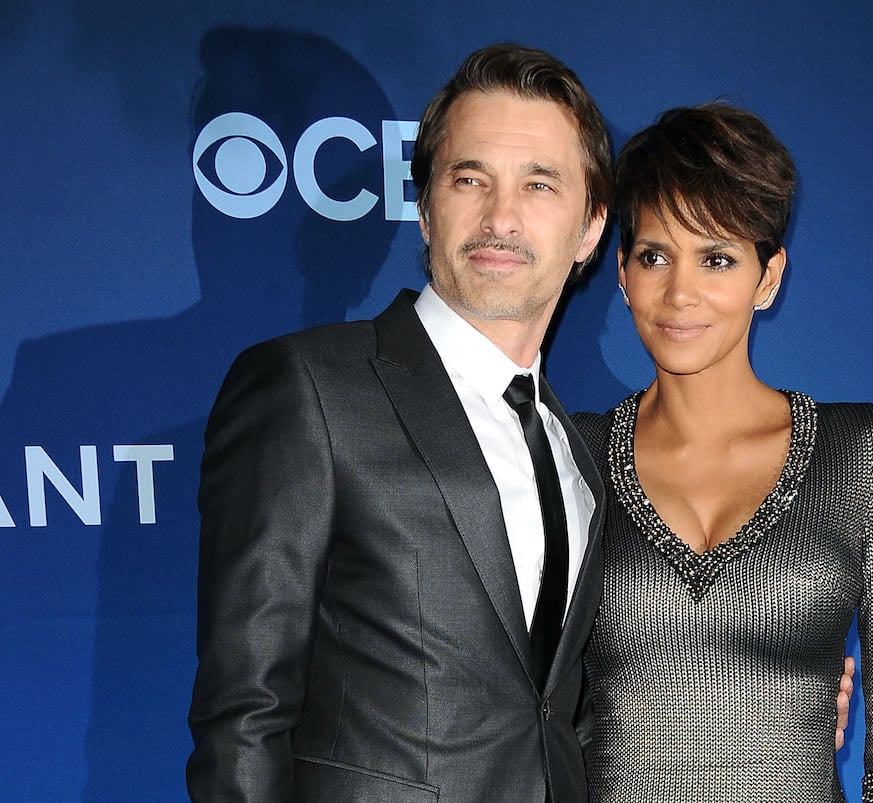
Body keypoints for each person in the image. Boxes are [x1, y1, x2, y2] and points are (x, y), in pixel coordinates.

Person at [186, 43, 611, 802]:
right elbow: (243, 716)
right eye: (469, 178)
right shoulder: (309, 388)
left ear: (589, 232)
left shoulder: (575, 447)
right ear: (425, 209)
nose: (501, 216)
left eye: (539, 185)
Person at [573, 104, 873, 802]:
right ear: (620, 272)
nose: (680, 293)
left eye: (717, 258)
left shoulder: (863, 455)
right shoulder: (573, 453)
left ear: (767, 278)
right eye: (655, 256)